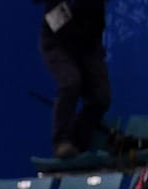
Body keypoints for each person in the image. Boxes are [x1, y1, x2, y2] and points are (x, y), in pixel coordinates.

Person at [39, 0, 110, 158]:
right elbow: (53, 22)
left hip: (89, 45)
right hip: (57, 43)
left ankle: (78, 145)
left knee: (101, 98)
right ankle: (62, 141)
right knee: (70, 83)